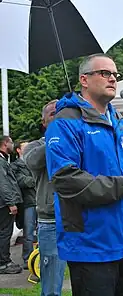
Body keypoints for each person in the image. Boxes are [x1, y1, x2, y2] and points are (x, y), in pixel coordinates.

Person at [45, 53, 123, 296]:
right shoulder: (65, 123)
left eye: (115, 74)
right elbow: (66, 180)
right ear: (84, 79)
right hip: (91, 246)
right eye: (104, 73)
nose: (112, 78)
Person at [23, 101, 66, 296]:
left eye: (61, 112)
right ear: (43, 122)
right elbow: (32, 161)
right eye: (52, 114)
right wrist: (55, 137)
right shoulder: (36, 145)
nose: (57, 116)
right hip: (51, 221)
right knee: (51, 285)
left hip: (79, 218)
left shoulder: (74, 140)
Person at [11, 141, 37, 269]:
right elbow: (23, 181)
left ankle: (39, 258)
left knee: (42, 231)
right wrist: (38, 179)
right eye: (25, 147)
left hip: (38, 200)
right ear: (18, 150)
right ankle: (28, 259)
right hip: (28, 202)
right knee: (29, 232)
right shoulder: (16, 166)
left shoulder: (35, 161)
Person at [0, 135, 23, 274]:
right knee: (4, 233)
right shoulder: (1, 162)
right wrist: (11, 203)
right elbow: (3, 184)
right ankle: (4, 263)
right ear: (5, 144)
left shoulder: (3, 161)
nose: (13, 145)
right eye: (11, 142)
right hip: (4, 205)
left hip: (4, 203)